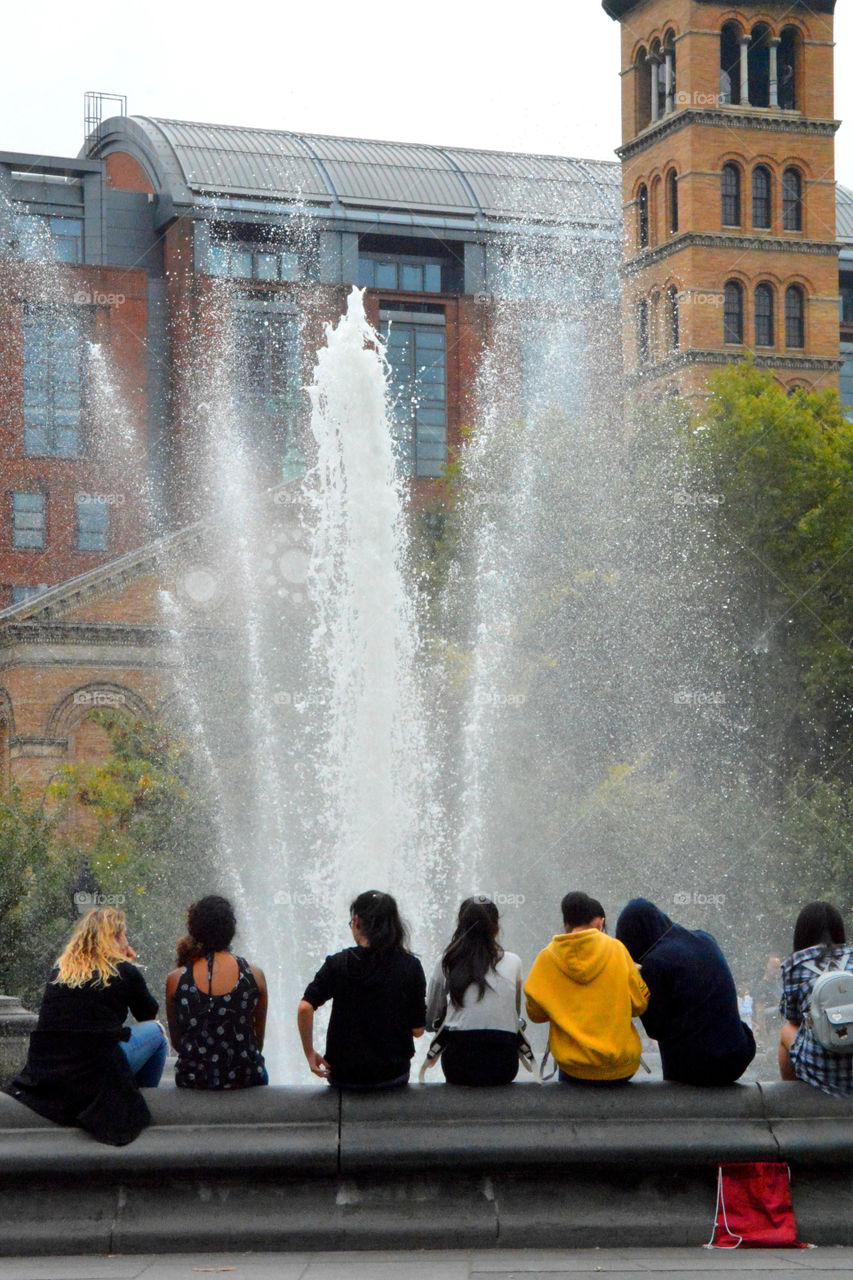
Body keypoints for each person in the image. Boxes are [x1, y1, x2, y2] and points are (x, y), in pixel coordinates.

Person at [5, 907, 165, 1145]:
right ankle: (136, 1096)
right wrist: (129, 965)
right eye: (124, 935)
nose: (127, 941)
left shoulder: (61, 970)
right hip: (96, 1070)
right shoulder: (123, 970)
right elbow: (148, 1013)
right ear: (115, 937)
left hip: (50, 1073)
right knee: (157, 1031)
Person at [615, 898, 756, 1085]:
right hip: (737, 1057)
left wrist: (637, 980)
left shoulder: (655, 962)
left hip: (695, 1069)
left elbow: (656, 1029)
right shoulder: (705, 939)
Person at [298, 890, 426, 1088]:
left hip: (344, 1077)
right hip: (392, 1075)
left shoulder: (338, 964)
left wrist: (309, 1053)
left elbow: (305, 1008)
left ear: (356, 922)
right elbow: (418, 1030)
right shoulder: (410, 966)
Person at [524, 891, 649, 1083]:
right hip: (620, 1068)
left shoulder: (547, 957)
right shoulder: (617, 950)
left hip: (573, 1069)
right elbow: (639, 1005)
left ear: (566, 925)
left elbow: (535, 1014)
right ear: (599, 922)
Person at [165, 895, 268, 1089]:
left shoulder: (176, 979)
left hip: (194, 1078)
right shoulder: (255, 975)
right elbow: (257, 1041)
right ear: (232, 928)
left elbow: (178, 1043)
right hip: (245, 1077)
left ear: (194, 930)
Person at [425, 896, 523, 1086]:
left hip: (458, 1067)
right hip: (504, 1066)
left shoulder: (446, 961)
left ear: (460, 925)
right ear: (495, 927)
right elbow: (513, 1014)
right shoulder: (514, 962)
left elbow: (431, 1019)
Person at [778, 901, 853, 1096]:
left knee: (786, 1030)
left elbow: (792, 1018)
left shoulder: (794, 966)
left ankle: (795, 1097)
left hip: (822, 1070)